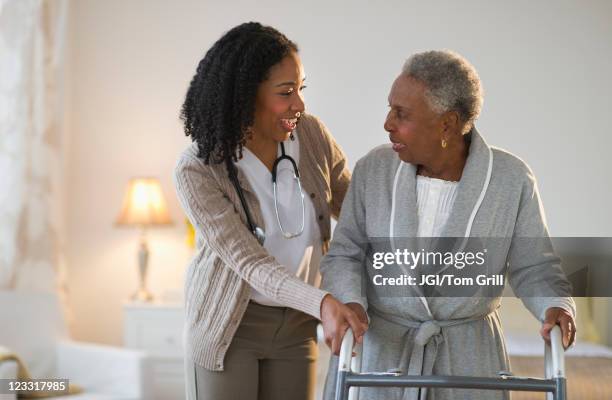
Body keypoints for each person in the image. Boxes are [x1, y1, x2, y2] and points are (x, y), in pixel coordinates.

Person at [321, 50, 576, 400]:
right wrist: (350, 301)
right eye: (389, 108)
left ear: (447, 124)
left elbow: (535, 265)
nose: (387, 123)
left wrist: (556, 306)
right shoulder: (373, 170)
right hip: (383, 351)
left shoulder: (511, 179)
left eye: (402, 114)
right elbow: (345, 254)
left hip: (469, 357)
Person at [174, 22, 367, 400]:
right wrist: (324, 303)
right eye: (286, 92)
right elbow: (250, 264)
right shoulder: (197, 169)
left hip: (296, 327)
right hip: (229, 328)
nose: (299, 104)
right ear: (245, 97)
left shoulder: (310, 136)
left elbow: (359, 212)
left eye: (300, 88)